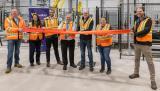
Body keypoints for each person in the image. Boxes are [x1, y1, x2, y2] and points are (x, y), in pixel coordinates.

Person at [129, 7, 157, 90]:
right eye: (137, 12)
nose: (139, 13)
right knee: (136, 60)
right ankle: (136, 73)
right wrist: (131, 30)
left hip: (145, 44)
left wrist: (135, 34)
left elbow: (146, 30)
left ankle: (153, 80)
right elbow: (134, 29)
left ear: (143, 11)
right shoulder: (136, 21)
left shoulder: (148, 20)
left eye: (140, 11)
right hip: (137, 43)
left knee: (150, 62)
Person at [4, 8, 26, 73]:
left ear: (17, 12)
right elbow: (7, 29)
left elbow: (24, 27)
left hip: (19, 38)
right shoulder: (7, 19)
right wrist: (17, 29)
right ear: (11, 13)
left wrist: (24, 31)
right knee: (10, 53)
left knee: (17, 52)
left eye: (15, 12)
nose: (14, 13)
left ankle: (16, 63)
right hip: (11, 38)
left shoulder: (21, 19)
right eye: (13, 12)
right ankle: (8, 66)